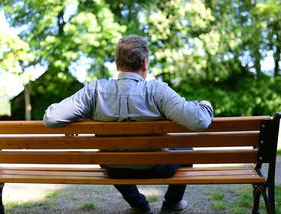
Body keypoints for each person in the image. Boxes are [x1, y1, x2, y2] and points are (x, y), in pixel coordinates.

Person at [43, 35, 213, 214]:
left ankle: (139, 205)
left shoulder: (95, 90)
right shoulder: (158, 91)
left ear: (117, 64)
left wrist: (78, 118)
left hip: (115, 170)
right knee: (186, 150)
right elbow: (199, 121)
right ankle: (171, 204)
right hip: (156, 168)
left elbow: (51, 118)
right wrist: (206, 105)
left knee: (112, 157)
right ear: (145, 63)